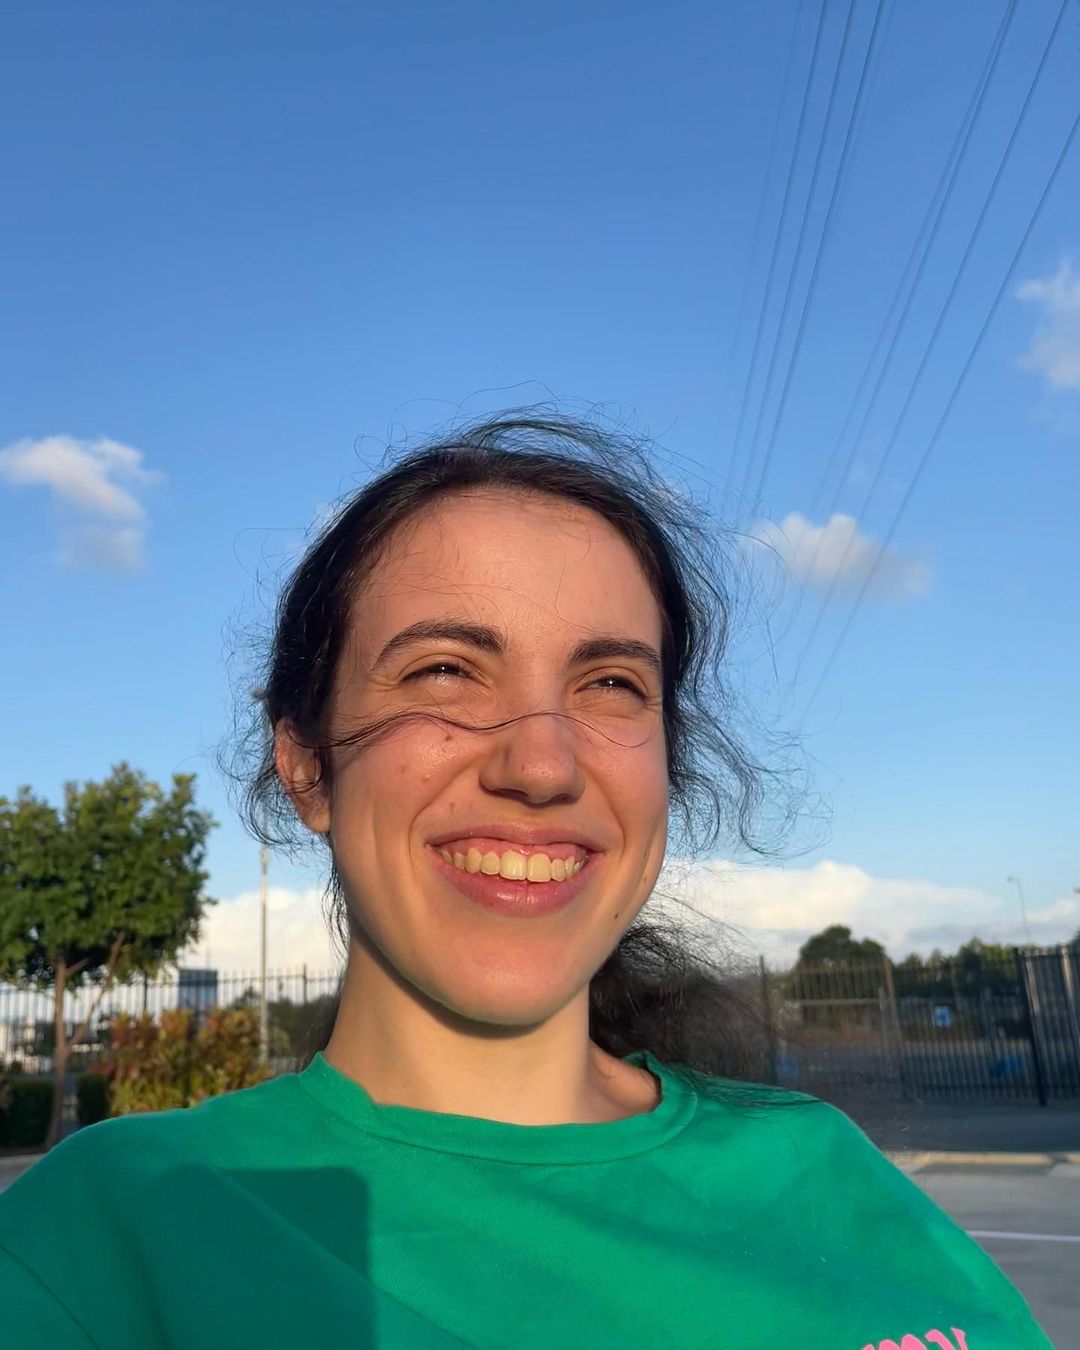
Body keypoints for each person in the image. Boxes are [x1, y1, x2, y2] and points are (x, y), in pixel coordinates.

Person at [0, 416, 1050, 1348]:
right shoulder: (102, 1236)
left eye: (609, 683)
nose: (543, 764)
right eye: (446, 670)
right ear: (309, 767)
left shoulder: (818, 1164)